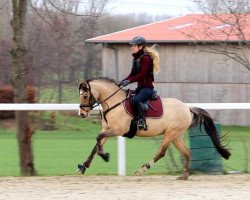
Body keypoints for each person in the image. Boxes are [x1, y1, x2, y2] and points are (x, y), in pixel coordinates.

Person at [119, 36, 160, 131]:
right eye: (132, 45)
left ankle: (142, 121)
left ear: (140, 47)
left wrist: (129, 81)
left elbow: (142, 75)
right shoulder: (136, 59)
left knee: (137, 100)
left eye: (134, 45)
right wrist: (122, 81)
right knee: (129, 99)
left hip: (147, 89)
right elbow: (132, 74)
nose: (131, 47)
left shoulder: (146, 58)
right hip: (140, 88)